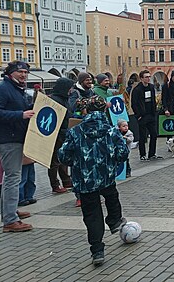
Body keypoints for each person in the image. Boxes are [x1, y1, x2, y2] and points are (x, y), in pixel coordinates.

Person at [58, 96, 129, 266]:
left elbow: (64, 156)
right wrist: (112, 160)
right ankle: (114, 221)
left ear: (86, 110)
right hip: (107, 176)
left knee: (91, 215)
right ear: (104, 110)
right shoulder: (112, 130)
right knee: (112, 198)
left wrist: (76, 162)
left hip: (85, 180)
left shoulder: (75, 131)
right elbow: (123, 153)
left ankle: (97, 250)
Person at [0, 60, 34, 233]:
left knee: (10, 178)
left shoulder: (16, 89)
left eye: (26, 72)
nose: (23, 75)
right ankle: (10, 220)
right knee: (13, 178)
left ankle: (9, 211)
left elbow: (22, 108)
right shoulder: (4, 88)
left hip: (15, 137)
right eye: (20, 72)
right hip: (9, 139)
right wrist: (21, 115)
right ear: (10, 73)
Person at [48, 77, 75, 194]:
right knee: (54, 161)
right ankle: (55, 184)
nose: (71, 91)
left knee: (63, 159)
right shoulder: (54, 100)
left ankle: (66, 180)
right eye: (70, 88)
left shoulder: (64, 99)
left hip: (64, 132)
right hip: (56, 134)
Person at [131, 70, 162, 161]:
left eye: (149, 77)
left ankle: (152, 154)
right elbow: (134, 104)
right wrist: (138, 115)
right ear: (141, 79)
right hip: (142, 116)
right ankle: (142, 154)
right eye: (146, 77)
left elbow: (153, 100)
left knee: (154, 134)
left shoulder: (151, 87)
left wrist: (154, 111)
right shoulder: (137, 89)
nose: (148, 78)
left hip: (151, 114)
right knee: (142, 136)